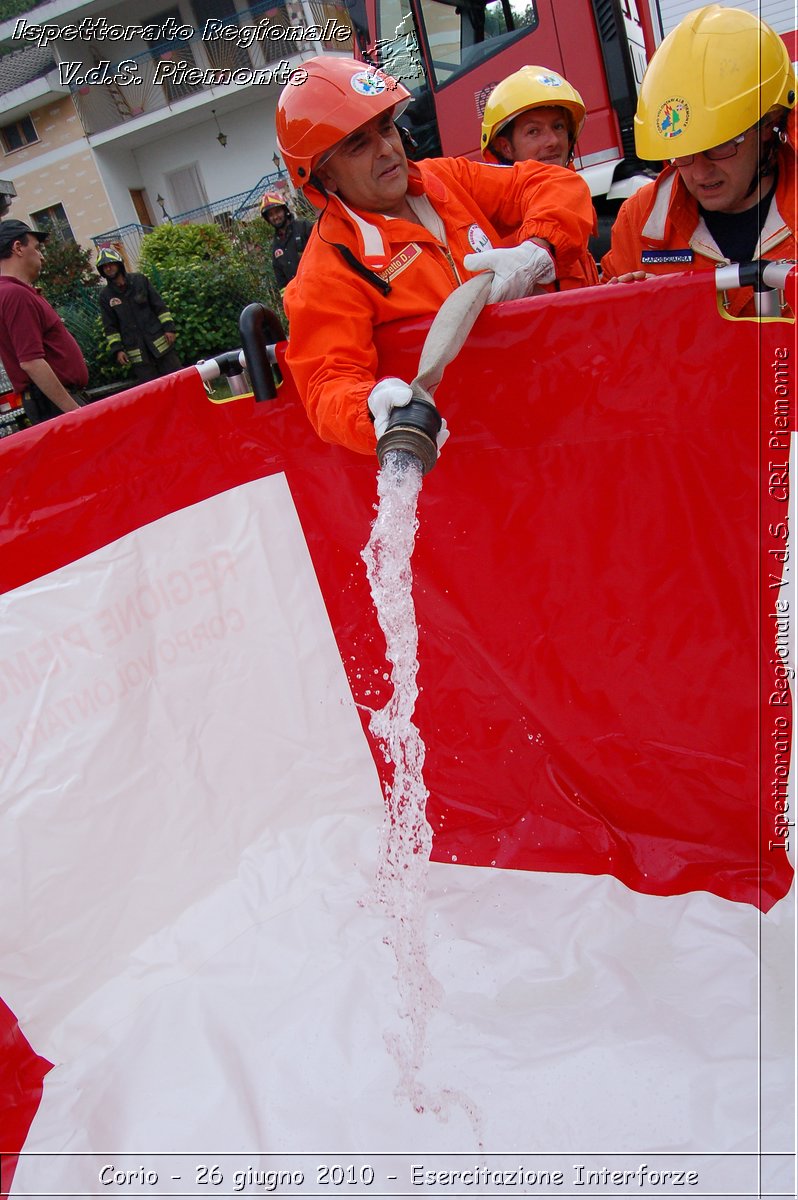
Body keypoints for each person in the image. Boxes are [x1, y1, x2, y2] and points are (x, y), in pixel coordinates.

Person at [277, 56, 594, 456]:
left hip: (546, 403)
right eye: (358, 144)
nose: (386, 149)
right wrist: (373, 409)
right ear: (324, 177)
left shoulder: (444, 181)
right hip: (467, 452)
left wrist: (537, 248)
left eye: (386, 128)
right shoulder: (328, 273)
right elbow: (327, 384)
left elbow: (553, 184)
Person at [600, 4, 796, 315]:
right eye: (684, 151)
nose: (700, 172)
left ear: (769, 125)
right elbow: (606, 345)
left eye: (718, 146)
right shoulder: (639, 223)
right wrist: (620, 314)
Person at [480, 65, 599, 286]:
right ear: (505, 147)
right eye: (534, 131)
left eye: (559, 126)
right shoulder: (495, 237)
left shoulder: (569, 208)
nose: (553, 140)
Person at [0, 219, 88, 424]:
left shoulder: (14, 292)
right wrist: (75, 412)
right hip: (53, 404)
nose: (41, 255)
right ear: (18, 248)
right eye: (37, 248)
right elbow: (31, 362)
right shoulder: (14, 294)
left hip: (52, 402)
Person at [97, 248, 182, 383]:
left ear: (119, 264)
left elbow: (159, 306)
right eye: (104, 267)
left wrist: (169, 328)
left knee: (177, 378)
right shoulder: (105, 296)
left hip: (160, 343)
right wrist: (118, 350)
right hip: (136, 350)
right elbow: (110, 327)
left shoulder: (140, 280)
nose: (108, 268)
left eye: (110, 264)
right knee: (153, 389)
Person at [260, 191, 314, 292]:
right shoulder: (276, 247)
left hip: (318, 285)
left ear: (285, 210)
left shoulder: (304, 227)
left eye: (277, 211)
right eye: (271, 214)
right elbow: (281, 280)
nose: (275, 217)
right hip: (300, 296)